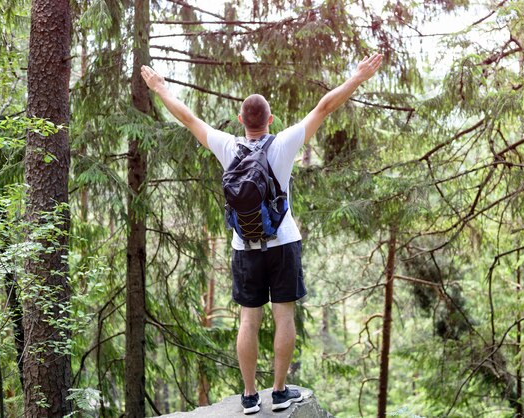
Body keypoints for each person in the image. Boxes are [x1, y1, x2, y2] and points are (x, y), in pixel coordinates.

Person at [141, 53, 383, 414]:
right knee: (283, 315)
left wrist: (159, 88)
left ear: (241, 120)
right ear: (270, 120)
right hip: (283, 241)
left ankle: (251, 396)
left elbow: (187, 116)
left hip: (244, 245)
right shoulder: (283, 143)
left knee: (248, 319)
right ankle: (281, 391)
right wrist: (358, 77)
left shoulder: (227, 145)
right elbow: (324, 107)